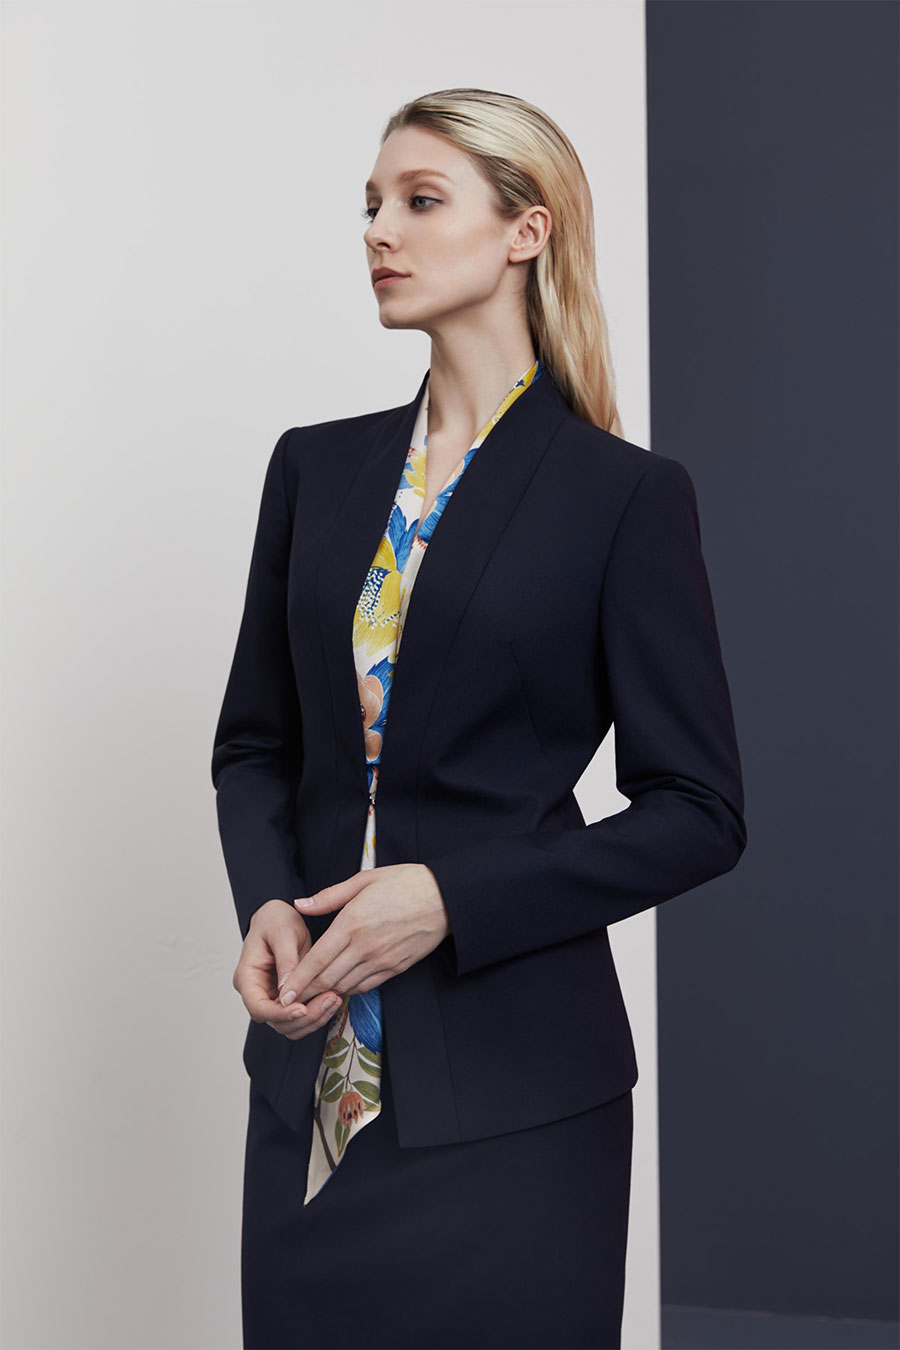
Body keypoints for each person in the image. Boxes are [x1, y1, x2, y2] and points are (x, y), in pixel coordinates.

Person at [211, 87, 747, 1350]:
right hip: (308, 1091)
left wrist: (451, 897)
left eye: (419, 200)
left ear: (526, 230)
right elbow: (255, 747)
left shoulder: (623, 498)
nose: (378, 231)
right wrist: (268, 903)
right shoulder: (314, 469)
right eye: (371, 205)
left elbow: (699, 812)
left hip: (520, 1103)